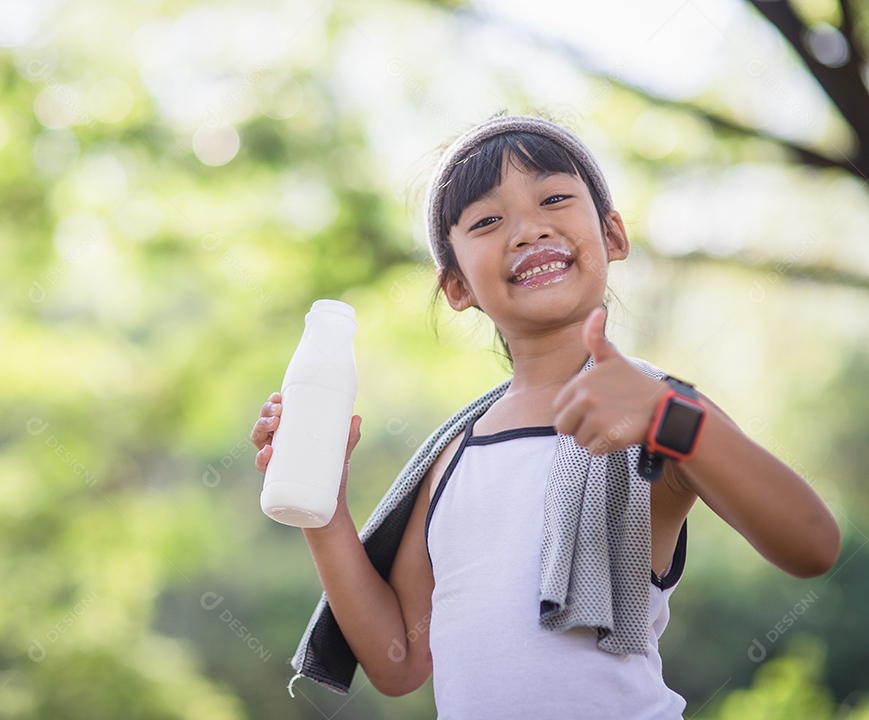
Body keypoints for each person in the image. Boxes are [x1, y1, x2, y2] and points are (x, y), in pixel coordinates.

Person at [249, 114, 841, 718]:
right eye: (487, 221)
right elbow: (400, 663)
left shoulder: (653, 405)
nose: (528, 230)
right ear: (456, 286)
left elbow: (812, 545)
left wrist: (674, 421)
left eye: (554, 198)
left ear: (612, 234)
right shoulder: (453, 454)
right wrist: (322, 505)